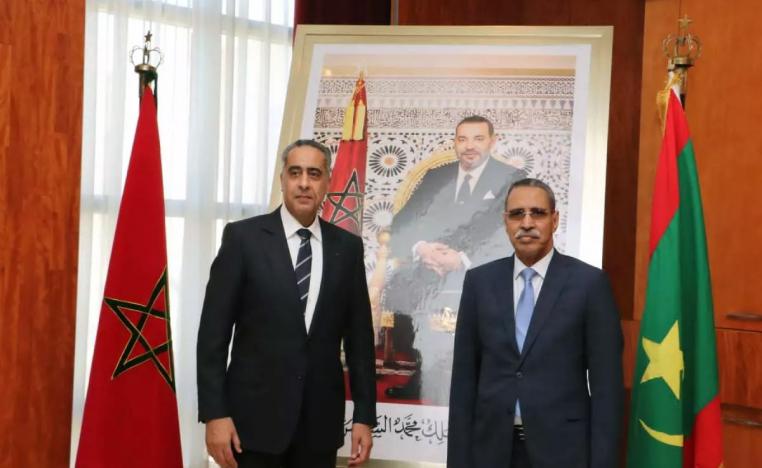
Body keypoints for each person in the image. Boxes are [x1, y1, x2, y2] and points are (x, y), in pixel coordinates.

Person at [197, 139, 376, 468]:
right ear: (282, 179)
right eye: (295, 173)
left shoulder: (347, 249)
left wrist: (365, 416)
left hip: (318, 429)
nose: (304, 183)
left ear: (327, 182)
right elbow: (213, 335)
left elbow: (360, 341)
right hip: (251, 428)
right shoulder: (243, 239)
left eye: (314, 174)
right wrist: (214, 413)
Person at [447, 178, 623, 468]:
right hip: (490, 450)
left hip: (564, 452)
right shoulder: (479, 282)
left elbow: (607, 390)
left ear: (554, 220)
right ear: (506, 222)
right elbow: (464, 382)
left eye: (537, 213)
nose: (526, 223)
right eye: (517, 214)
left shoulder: (589, 284)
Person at [383, 115, 526, 403]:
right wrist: (422, 248)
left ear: (493, 141)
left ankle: (478, 379)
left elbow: (514, 232)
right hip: (429, 267)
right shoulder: (436, 177)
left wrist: (461, 259)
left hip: (483, 269)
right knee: (399, 288)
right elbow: (402, 223)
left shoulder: (512, 179)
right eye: (462, 139)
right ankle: (422, 373)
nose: (469, 146)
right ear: (455, 143)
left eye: (478, 138)